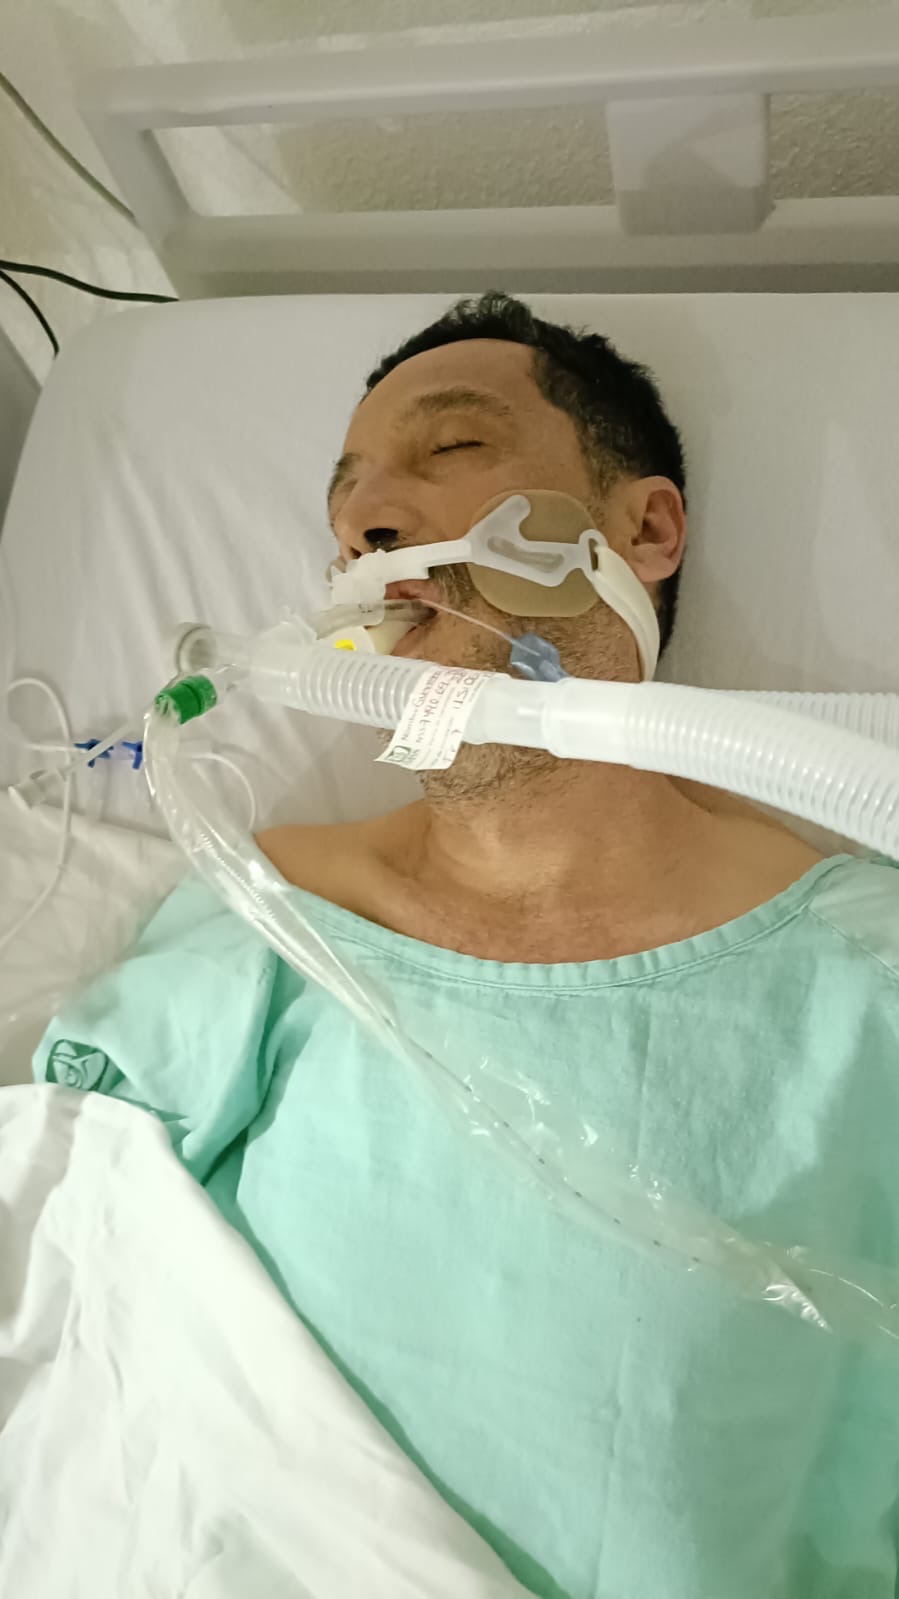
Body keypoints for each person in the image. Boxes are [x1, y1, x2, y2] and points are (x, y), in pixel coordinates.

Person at [36, 293, 899, 1599]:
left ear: (644, 531)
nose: (368, 519)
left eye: (452, 450)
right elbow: (70, 1285)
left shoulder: (864, 981)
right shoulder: (266, 911)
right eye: (345, 501)